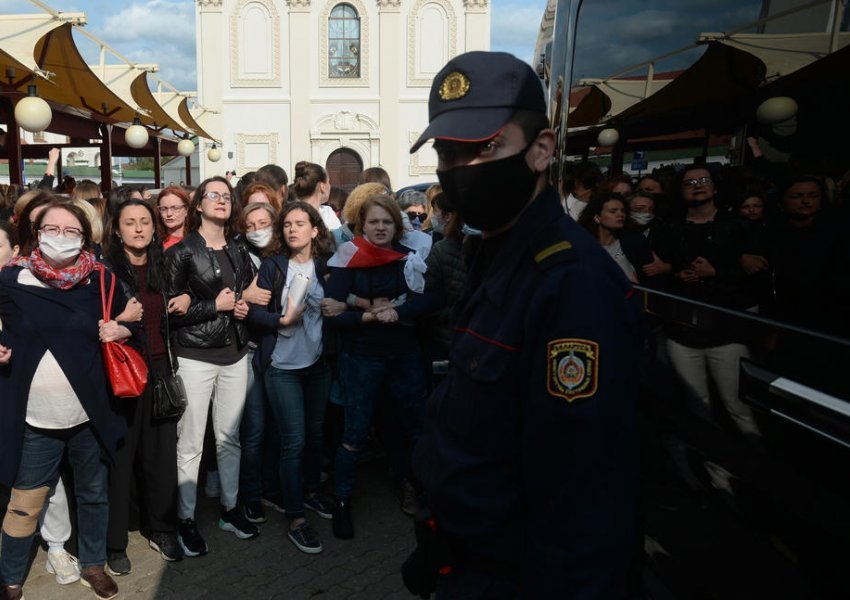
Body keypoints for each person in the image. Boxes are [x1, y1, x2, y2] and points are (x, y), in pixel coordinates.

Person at [405, 51, 643, 598]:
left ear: (540, 151)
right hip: (464, 557)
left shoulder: (570, 282)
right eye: (447, 151)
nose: (460, 169)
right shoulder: (490, 253)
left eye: (484, 147)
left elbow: (582, 495)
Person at [0, 200, 133, 600]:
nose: (61, 238)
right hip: (34, 417)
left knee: (93, 493)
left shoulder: (102, 281)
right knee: (25, 501)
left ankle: (92, 564)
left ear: (85, 237)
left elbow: (134, 324)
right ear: (36, 234)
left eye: (71, 231)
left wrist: (122, 330)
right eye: (51, 230)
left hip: (87, 415)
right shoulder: (10, 281)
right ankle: (9, 577)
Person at [323, 194, 432, 540]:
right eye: (374, 222)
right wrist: (369, 314)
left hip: (404, 355)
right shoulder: (345, 257)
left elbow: (430, 299)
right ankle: (342, 501)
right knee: (355, 433)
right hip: (361, 358)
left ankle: (416, 488)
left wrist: (398, 312)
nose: (381, 227)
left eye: (387, 222)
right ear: (361, 225)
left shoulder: (410, 257)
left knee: (413, 426)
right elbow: (332, 314)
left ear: (396, 226)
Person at [164, 176, 259, 557]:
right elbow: (168, 314)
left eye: (226, 196)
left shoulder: (238, 248)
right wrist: (214, 306)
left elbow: (243, 296)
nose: (221, 200)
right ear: (198, 205)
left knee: (229, 438)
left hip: (235, 354)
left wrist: (241, 304)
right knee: (189, 444)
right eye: (213, 195)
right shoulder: (181, 252)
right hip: (195, 357)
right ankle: (185, 519)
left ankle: (229, 509)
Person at [103, 199, 185, 575]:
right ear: (116, 230)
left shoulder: (165, 266)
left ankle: (162, 527)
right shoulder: (103, 272)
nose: (138, 228)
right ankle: (115, 541)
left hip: (158, 367)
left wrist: (187, 299)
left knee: (161, 454)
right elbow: (91, 324)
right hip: (120, 372)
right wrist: (120, 318)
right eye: (130, 222)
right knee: (121, 457)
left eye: (145, 222)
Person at [249, 201, 335, 554]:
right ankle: (296, 517)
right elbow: (253, 313)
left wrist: (341, 307)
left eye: (300, 223)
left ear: (315, 230)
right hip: (282, 367)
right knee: (293, 440)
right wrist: (279, 322)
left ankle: (311, 492)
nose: (292, 229)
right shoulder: (273, 266)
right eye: (287, 224)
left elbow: (341, 305)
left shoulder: (328, 268)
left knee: (315, 435)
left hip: (317, 365)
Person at [291, 162, 342, 230]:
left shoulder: (327, 211)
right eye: (328, 182)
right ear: (322, 186)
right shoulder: (327, 215)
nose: (330, 186)